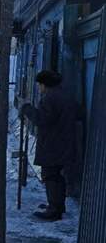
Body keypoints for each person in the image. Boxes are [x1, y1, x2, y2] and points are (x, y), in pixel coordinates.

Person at [21, 70, 78, 221]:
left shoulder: (51, 98)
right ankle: (58, 206)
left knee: (50, 175)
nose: (39, 88)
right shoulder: (64, 94)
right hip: (64, 141)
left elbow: (43, 119)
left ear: (44, 84)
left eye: (39, 84)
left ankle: (54, 210)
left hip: (53, 143)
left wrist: (27, 109)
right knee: (57, 175)